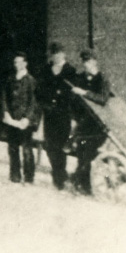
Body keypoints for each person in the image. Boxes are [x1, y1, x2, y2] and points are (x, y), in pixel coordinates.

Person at [69, 49, 110, 195]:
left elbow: (103, 99)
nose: (87, 64)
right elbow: (73, 101)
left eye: (89, 61)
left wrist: (85, 93)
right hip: (83, 124)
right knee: (81, 156)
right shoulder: (79, 78)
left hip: (98, 126)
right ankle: (83, 186)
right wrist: (74, 119)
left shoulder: (102, 79)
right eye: (84, 62)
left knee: (88, 156)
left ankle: (80, 182)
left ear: (95, 62)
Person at [36, 42, 77, 190]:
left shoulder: (70, 71)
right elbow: (39, 90)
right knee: (49, 146)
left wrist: (72, 115)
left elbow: (73, 96)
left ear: (63, 54)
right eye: (54, 54)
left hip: (63, 114)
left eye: (59, 53)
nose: (56, 56)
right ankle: (59, 174)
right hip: (49, 114)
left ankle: (59, 178)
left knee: (61, 146)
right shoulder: (46, 70)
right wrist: (44, 103)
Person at [1, 51, 40, 184]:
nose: (17, 65)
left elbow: (34, 102)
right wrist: (6, 112)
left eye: (20, 62)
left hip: (24, 122)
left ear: (25, 63)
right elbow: (5, 97)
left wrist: (27, 119)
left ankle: (29, 178)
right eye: (15, 62)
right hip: (12, 119)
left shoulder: (30, 80)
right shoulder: (11, 79)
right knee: (12, 148)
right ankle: (15, 176)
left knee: (26, 149)